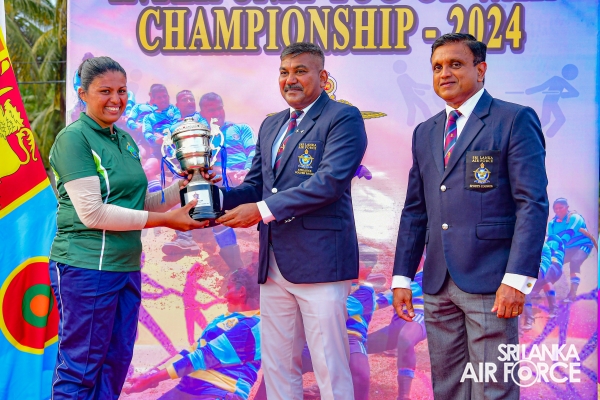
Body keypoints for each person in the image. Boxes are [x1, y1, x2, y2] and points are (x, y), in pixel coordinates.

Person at [391, 33, 549, 400]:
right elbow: (416, 210)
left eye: (455, 64)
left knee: (494, 389)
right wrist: (402, 277)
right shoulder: (425, 132)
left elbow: (532, 203)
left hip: (492, 283)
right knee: (448, 388)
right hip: (437, 284)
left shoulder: (513, 120)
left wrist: (517, 279)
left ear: (481, 70)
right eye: (437, 67)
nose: (444, 73)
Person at [47, 56, 214, 399]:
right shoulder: (73, 140)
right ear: (83, 94)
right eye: (105, 91)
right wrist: (167, 220)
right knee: (81, 367)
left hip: (125, 269)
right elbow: (93, 214)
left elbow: (138, 204)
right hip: (86, 268)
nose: (116, 99)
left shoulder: (123, 140)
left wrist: (184, 186)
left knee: (116, 363)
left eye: (122, 91)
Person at [215, 42, 368, 400]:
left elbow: (328, 183)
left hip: (320, 262)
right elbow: (255, 186)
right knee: (279, 366)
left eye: (300, 71)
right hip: (274, 265)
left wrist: (261, 210)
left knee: (329, 367)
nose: (290, 80)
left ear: (323, 77)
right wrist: (211, 197)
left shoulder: (343, 118)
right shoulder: (272, 124)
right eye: (284, 72)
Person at [123, 267, 260, 400]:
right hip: (188, 388)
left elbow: (203, 356)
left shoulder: (253, 325)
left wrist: (151, 379)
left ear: (241, 291)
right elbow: (193, 350)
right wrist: (155, 372)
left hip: (219, 391)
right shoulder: (223, 319)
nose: (225, 295)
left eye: (229, 288)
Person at [546, 197, 597, 301]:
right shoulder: (552, 223)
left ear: (567, 207)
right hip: (566, 248)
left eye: (561, 207)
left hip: (583, 245)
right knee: (552, 264)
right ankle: (540, 289)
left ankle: (572, 294)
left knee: (575, 261)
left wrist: (558, 247)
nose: (558, 210)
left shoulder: (575, 218)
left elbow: (569, 234)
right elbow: (552, 239)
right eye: (556, 208)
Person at [522, 235, 565, 330]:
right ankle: (529, 319)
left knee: (545, 278)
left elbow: (549, 251)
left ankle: (554, 309)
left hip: (553, 266)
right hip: (542, 269)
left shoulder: (552, 239)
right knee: (526, 290)